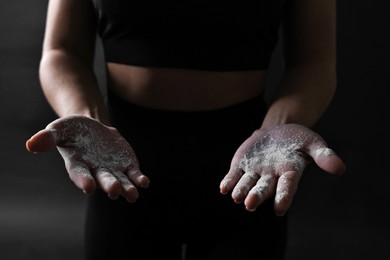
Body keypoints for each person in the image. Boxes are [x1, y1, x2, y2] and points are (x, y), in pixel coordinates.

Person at [25, 0, 346, 259]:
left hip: (252, 172)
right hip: (120, 170)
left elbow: (313, 61)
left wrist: (279, 125)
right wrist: (88, 117)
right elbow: (61, 50)